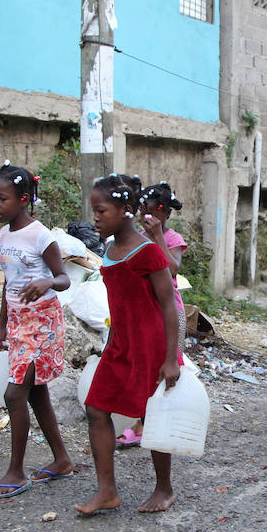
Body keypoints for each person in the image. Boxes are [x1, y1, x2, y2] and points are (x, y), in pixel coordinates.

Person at [74, 173, 182, 514]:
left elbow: (168, 306)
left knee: (151, 415)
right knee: (96, 407)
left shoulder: (147, 251)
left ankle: (164, 488)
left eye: (101, 210)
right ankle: (107, 490)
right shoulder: (108, 249)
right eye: (94, 210)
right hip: (119, 343)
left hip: (149, 345)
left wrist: (170, 359)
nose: (95, 218)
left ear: (125, 210)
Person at [0, 161, 73, 499]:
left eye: (2, 199)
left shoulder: (41, 236)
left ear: (23, 199)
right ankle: (62, 460)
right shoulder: (4, 233)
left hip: (42, 322)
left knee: (14, 394)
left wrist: (47, 280)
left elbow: (63, 278)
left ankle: (16, 471)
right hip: (19, 322)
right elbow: (8, 282)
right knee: (35, 392)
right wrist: (1, 326)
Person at [115, 180, 188, 448]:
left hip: (170, 314)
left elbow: (171, 270)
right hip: (144, 314)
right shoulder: (136, 239)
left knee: (168, 368)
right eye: (144, 210)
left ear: (166, 214)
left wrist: (157, 237)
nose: (149, 216)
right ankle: (148, 421)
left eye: (155, 211)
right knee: (146, 370)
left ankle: (149, 423)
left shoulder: (172, 239)